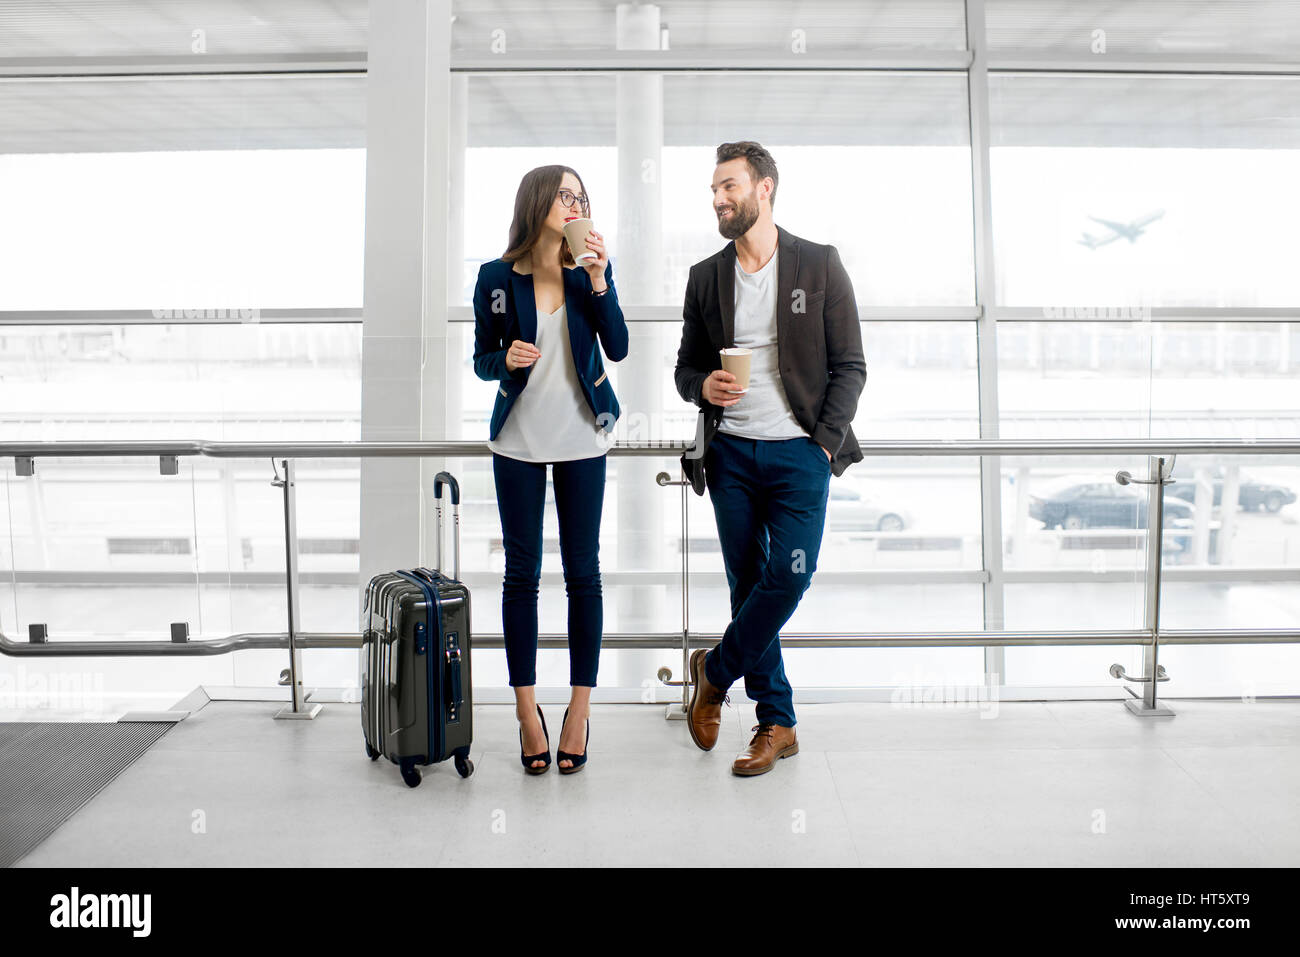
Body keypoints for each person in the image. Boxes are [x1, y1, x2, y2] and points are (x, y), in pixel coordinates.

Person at [674, 141, 867, 776]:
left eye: (729, 186)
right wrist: (703, 386)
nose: (718, 199)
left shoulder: (819, 263)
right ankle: (775, 722)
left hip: (799, 456)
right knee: (745, 586)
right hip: (730, 454)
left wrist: (820, 445)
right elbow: (684, 369)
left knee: (787, 577)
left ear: (766, 188)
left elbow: (851, 367)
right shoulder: (706, 276)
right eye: (713, 190)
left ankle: (715, 671)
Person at [472, 165, 628, 774]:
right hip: (518, 441)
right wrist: (504, 357)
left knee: (583, 574)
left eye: (582, 197)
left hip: (583, 440)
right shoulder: (494, 277)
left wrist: (598, 280)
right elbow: (484, 360)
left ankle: (579, 711)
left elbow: (616, 347)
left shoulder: (588, 271)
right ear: (538, 201)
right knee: (521, 576)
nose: (575, 205)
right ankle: (526, 711)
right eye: (566, 195)